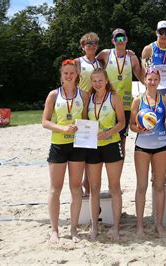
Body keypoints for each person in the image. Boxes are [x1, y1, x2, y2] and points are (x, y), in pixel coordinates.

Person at [42, 59, 89, 244]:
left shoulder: (84, 95)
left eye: (72, 72)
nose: (69, 76)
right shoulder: (54, 95)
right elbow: (45, 121)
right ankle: (54, 230)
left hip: (77, 146)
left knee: (76, 188)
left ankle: (74, 229)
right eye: (65, 73)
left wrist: (83, 130)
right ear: (61, 75)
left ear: (77, 74)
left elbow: (86, 120)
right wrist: (62, 129)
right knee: (55, 188)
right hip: (58, 145)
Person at [85, 68, 125, 241]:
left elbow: (122, 123)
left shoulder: (114, 97)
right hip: (93, 146)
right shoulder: (89, 99)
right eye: (94, 81)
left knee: (114, 187)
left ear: (106, 81)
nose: (97, 84)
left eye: (100, 80)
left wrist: (109, 133)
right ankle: (94, 227)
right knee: (94, 188)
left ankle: (116, 228)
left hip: (111, 144)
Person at [130, 68, 166, 237]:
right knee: (142, 186)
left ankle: (158, 224)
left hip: (161, 145)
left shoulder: (165, 100)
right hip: (142, 147)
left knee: (159, 186)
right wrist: (138, 129)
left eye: (155, 79)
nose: (152, 82)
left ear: (159, 81)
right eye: (149, 79)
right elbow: (131, 125)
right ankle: (140, 225)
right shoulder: (138, 101)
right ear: (144, 81)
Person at [96, 28, 143, 154]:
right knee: (103, 134)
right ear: (112, 40)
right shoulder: (105, 54)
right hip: (108, 101)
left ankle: (119, 168)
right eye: (117, 38)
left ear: (127, 39)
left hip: (125, 103)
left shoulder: (132, 57)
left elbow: (141, 77)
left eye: (122, 38)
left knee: (122, 138)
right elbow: (92, 65)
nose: (120, 41)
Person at [74, 32, 102, 197]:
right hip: (80, 105)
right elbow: (70, 81)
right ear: (83, 45)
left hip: (95, 104)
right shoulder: (78, 62)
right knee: (82, 142)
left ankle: (89, 180)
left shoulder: (100, 62)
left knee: (93, 143)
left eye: (94, 43)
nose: (91, 45)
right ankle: (83, 182)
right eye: (88, 43)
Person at [141, 20, 166, 96]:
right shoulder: (149, 49)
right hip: (154, 87)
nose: (164, 35)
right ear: (156, 33)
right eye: (161, 32)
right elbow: (145, 71)